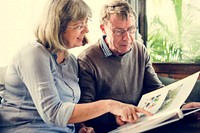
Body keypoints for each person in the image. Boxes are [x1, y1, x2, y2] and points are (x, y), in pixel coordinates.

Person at [0, 0, 152, 133]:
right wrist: (110, 105)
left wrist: (80, 127)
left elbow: (72, 107)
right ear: (58, 27)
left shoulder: (71, 61)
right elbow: (54, 113)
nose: (86, 30)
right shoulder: (33, 54)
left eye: (86, 23)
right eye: (80, 25)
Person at [77, 0, 200, 133]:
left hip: (142, 122)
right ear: (103, 28)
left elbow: (155, 90)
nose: (127, 38)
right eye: (119, 31)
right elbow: (86, 109)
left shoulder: (139, 50)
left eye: (131, 30)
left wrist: (182, 106)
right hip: (111, 127)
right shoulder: (87, 60)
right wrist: (114, 117)